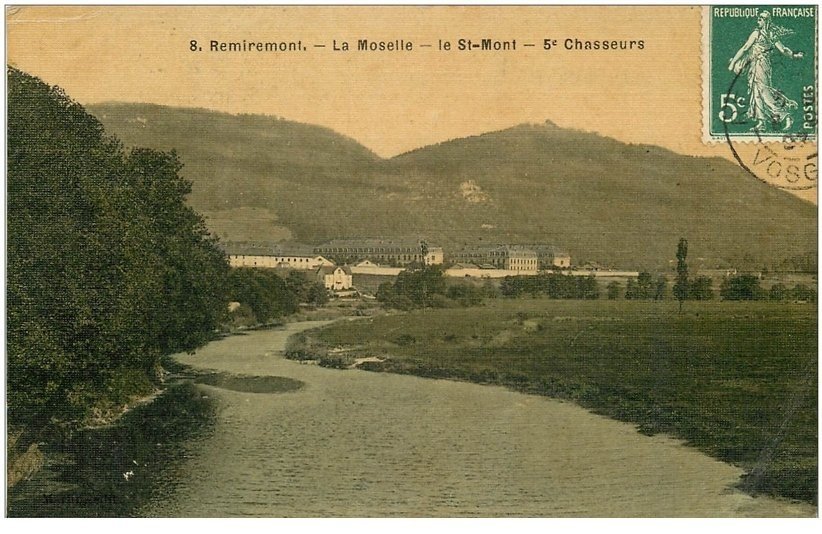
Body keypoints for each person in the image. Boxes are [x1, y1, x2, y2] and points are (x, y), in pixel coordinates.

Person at [728, 11, 804, 131]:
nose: (759, 20)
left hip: (761, 65)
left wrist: (733, 63)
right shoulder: (767, 34)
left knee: (764, 91)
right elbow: (783, 50)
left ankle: (786, 116)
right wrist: (794, 55)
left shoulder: (760, 34)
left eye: (761, 18)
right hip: (757, 65)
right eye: (758, 18)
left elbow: (745, 48)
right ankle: (761, 122)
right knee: (756, 92)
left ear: (766, 21)